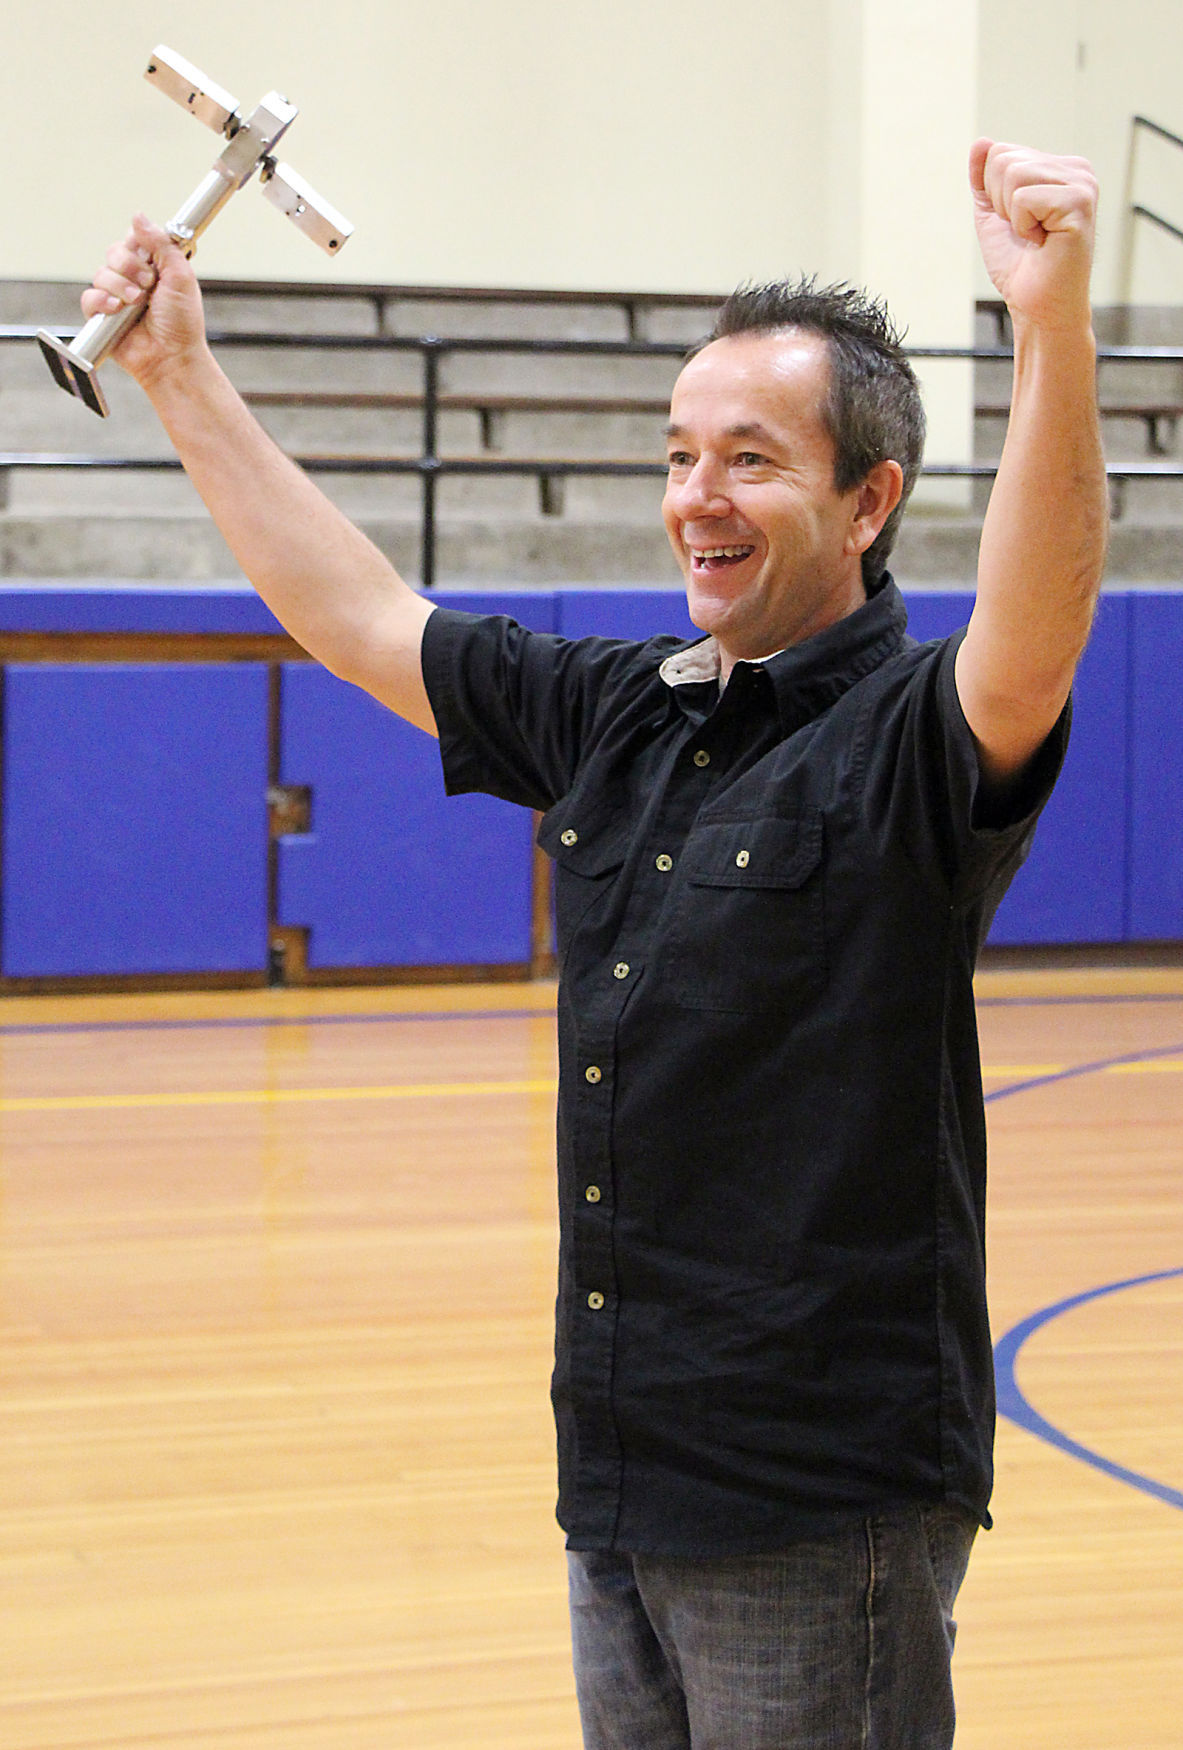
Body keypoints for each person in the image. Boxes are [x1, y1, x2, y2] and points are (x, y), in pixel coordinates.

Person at [85, 138, 1106, 1747]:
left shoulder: (909, 742)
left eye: (751, 459)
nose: (696, 494)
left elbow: (1035, 634)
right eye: (679, 452)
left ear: (870, 501)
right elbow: (362, 619)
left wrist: (1052, 328)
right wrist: (182, 378)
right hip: (621, 1466)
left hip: (816, 1497)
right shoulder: (624, 710)